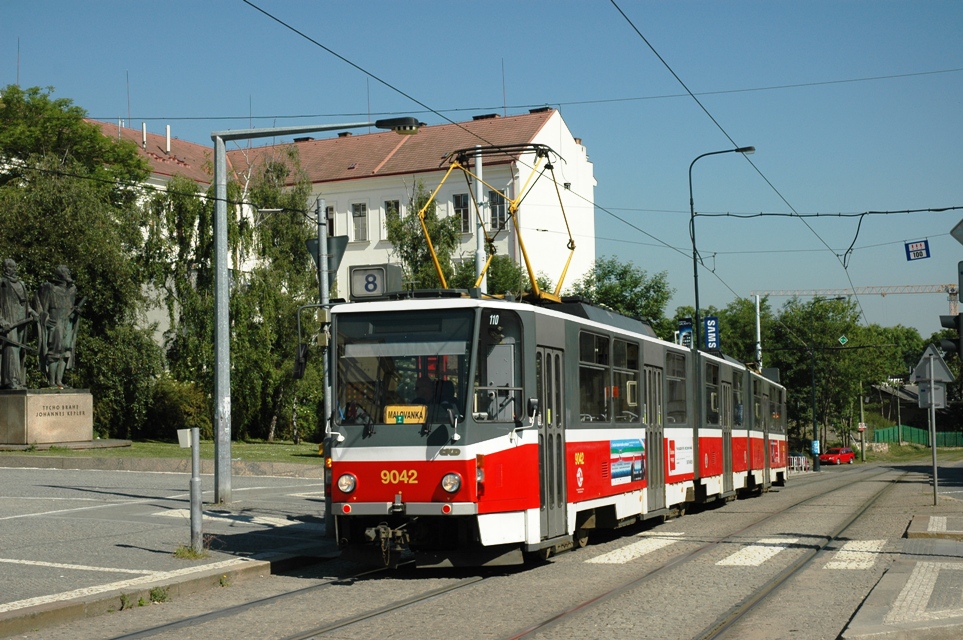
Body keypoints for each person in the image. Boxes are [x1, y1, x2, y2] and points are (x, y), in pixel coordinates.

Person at [35, 265, 81, 388]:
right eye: (66, 272)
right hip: (56, 324)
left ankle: (59, 381)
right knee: (55, 351)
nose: (69, 274)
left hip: (68, 324)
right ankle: (51, 382)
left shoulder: (72, 290)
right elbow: (41, 308)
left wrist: (76, 312)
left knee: (66, 351)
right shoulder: (50, 289)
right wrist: (46, 320)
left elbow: (71, 309)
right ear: (60, 275)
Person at [0, 259, 34, 389]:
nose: (13, 269)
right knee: (11, 348)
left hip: (22, 322)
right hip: (9, 322)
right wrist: (2, 321)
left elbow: (25, 304)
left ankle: (18, 380)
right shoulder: (2, 283)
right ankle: (10, 381)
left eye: (14, 267)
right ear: (5, 269)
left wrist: (33, 313)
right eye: (10, 267)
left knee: (19, 351)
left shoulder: (21, 284)